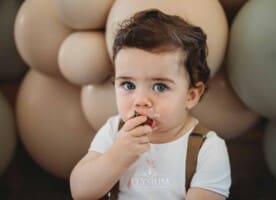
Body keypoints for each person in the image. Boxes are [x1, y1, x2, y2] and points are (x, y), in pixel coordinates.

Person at [70, 9, 231, 200]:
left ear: (191, 95)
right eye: (128, 85)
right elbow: (80, 191)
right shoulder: (115, 131)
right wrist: (115, 157)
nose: (140, 101)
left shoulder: (207, 149)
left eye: (160, 87)